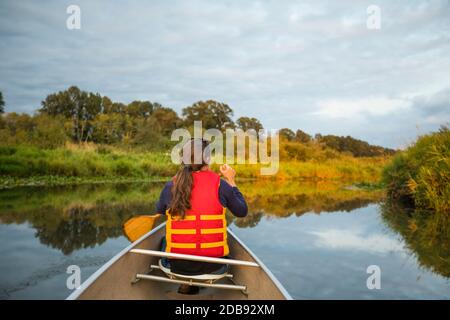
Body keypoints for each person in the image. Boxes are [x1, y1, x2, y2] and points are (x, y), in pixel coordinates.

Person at [155, 139, 248, 293]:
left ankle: (187, 284)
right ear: (208, 158)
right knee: (224, 237)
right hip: (215, 267)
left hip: (177, 267)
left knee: (165, 239)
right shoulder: (220, 184)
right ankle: (193, 284)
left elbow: (159, 210)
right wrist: (231, 180)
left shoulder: (171, 185)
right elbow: (242, 211)